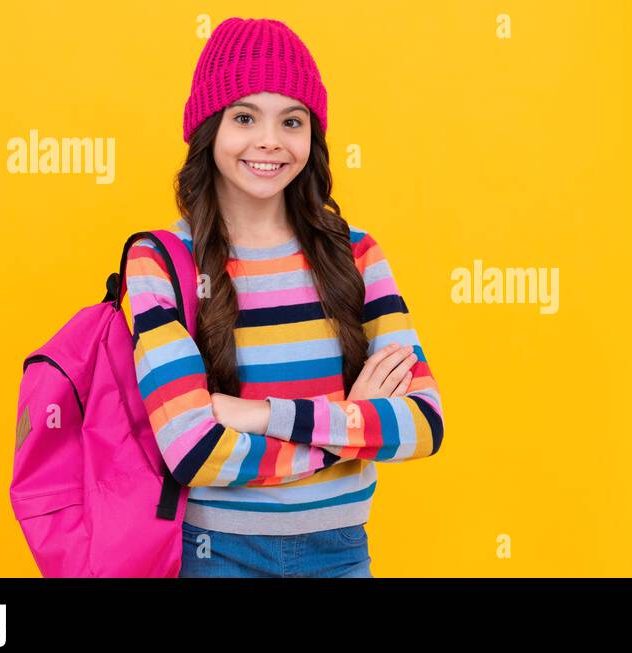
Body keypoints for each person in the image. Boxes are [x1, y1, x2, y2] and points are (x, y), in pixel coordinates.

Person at [123, 17, 445, 577]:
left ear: (310, 138)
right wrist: (349, 432)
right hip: (214, 556)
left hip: (342, 553)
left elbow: (422, 423)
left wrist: (254, 414)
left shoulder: (357, 254)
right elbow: (193, 451)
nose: (270, 140)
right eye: (245, 117)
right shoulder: (162, 261)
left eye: (291, 121)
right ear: (208, 130)